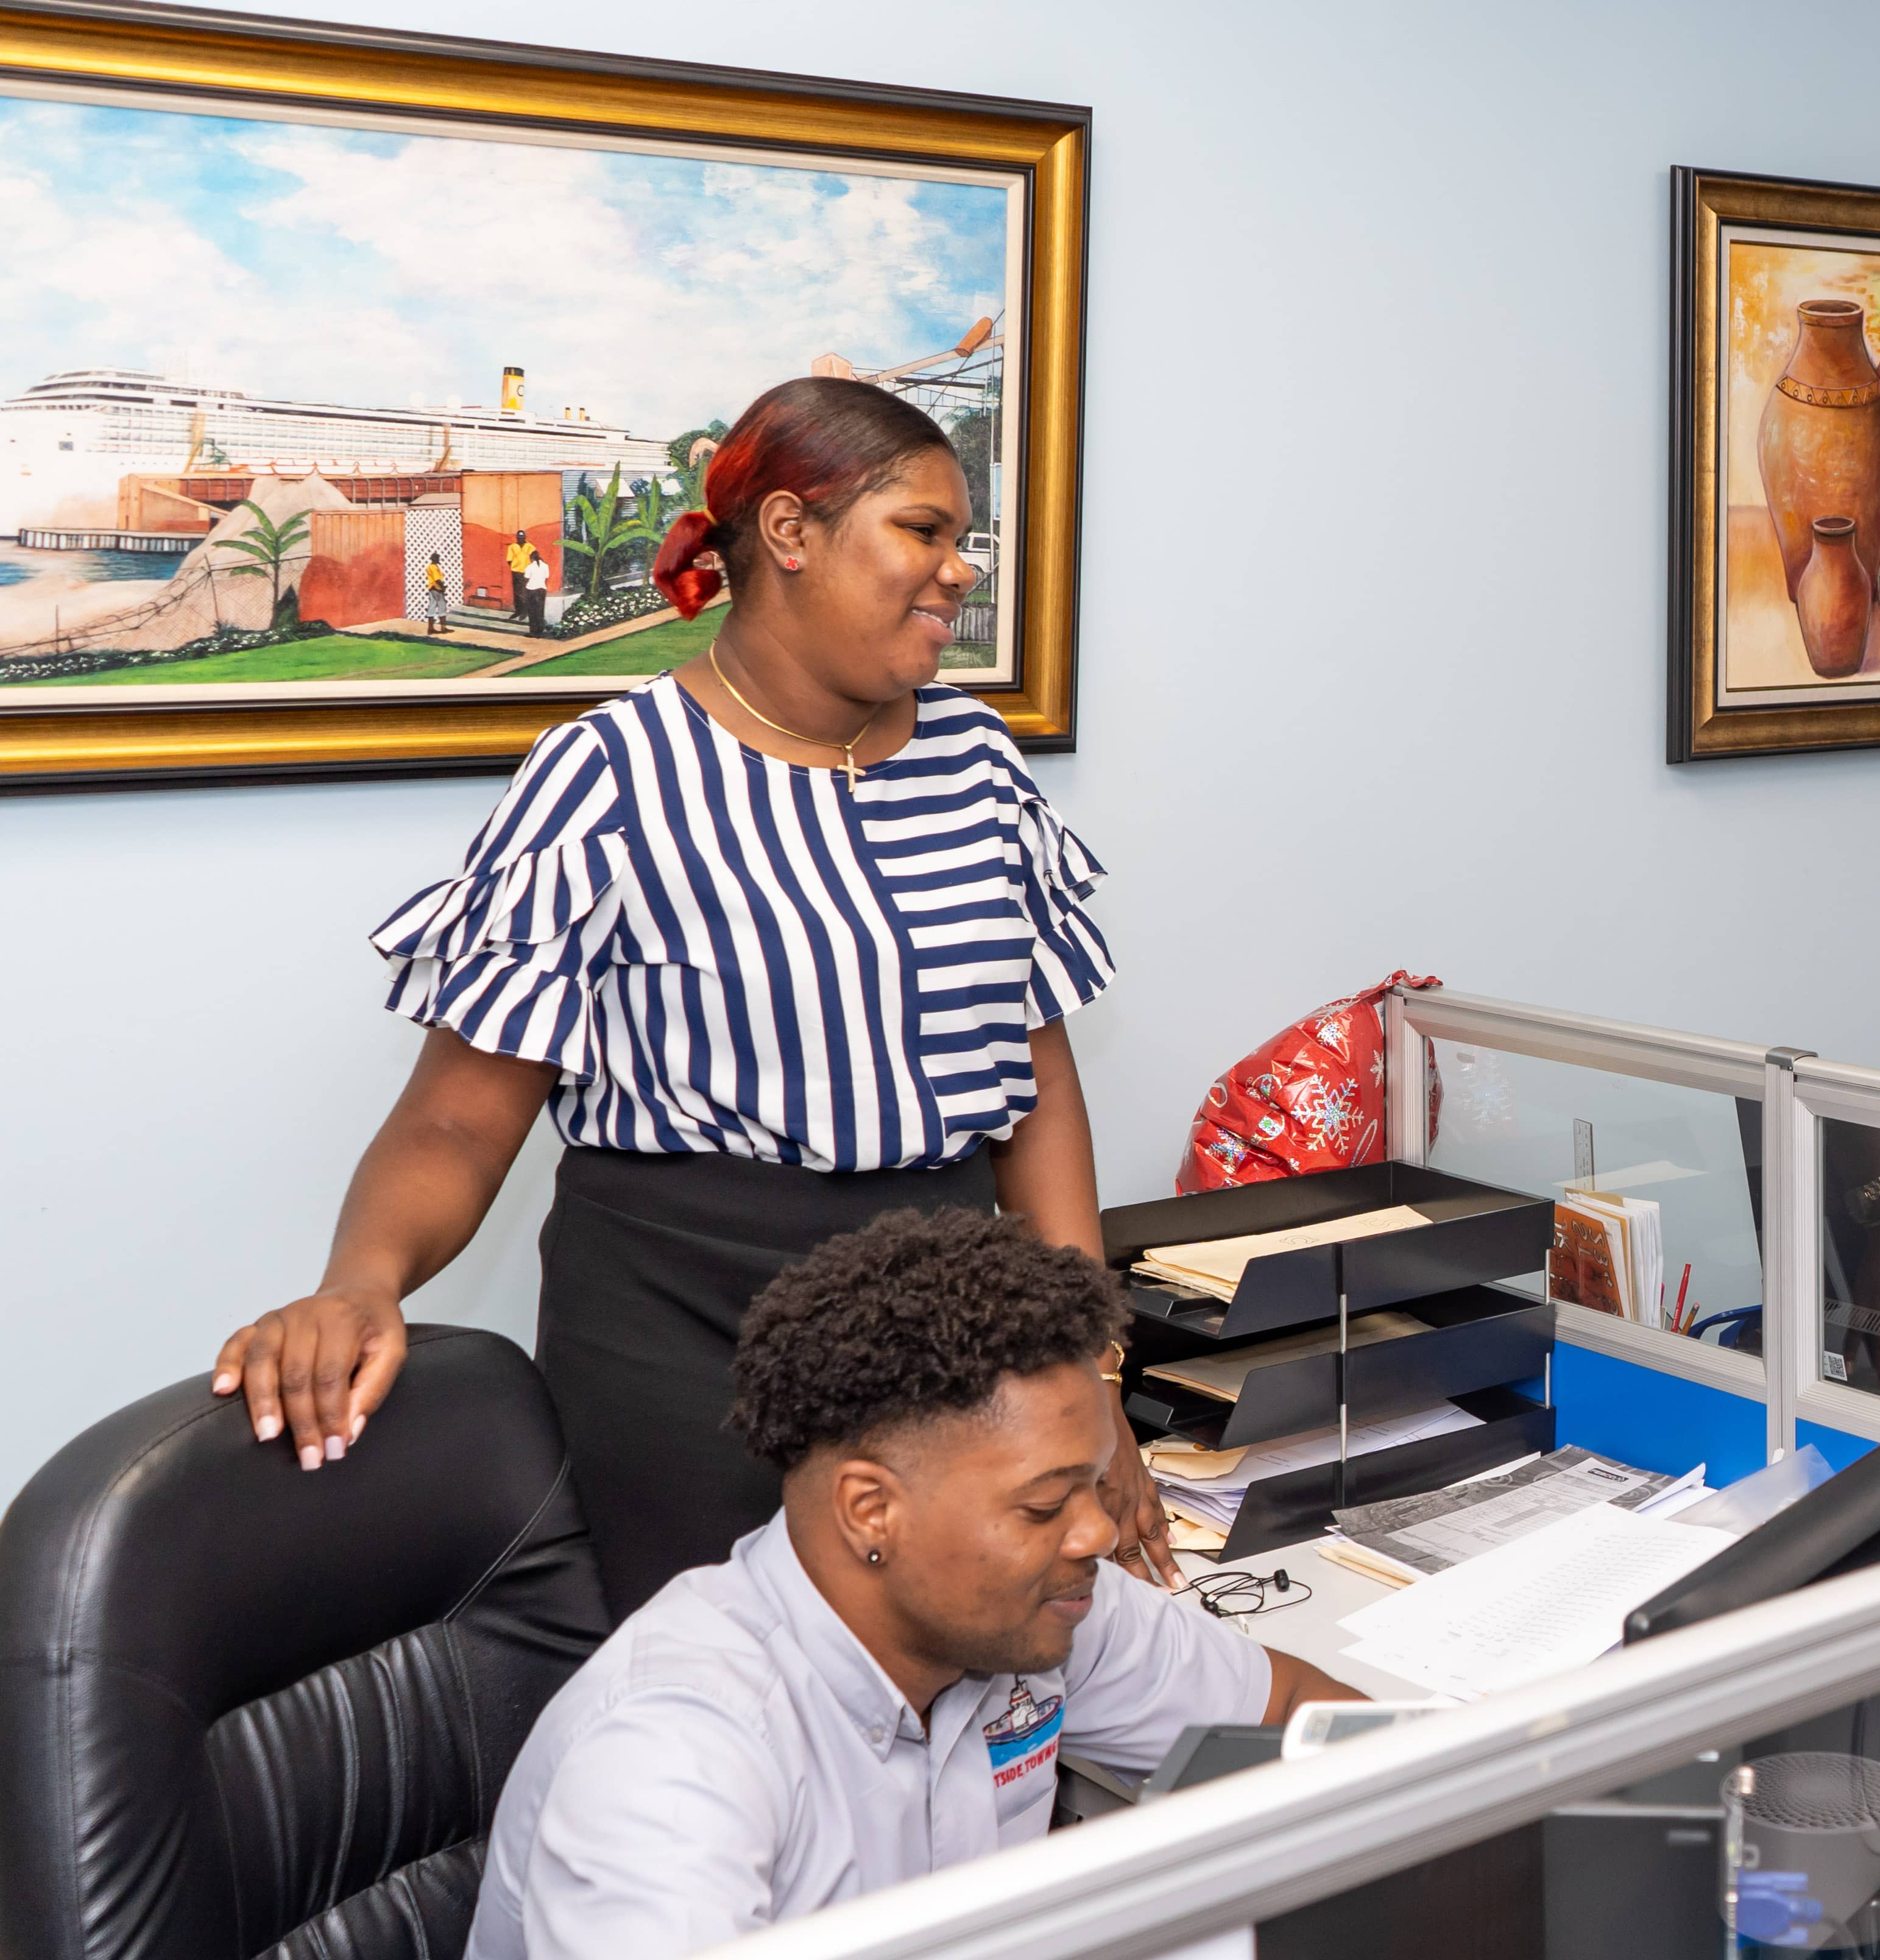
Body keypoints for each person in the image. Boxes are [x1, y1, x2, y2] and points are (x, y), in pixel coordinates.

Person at [211, 377, 1171, 1616]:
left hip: (950, 1323)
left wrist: (1084, 1364)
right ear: (789, 533)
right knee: (722, 1715)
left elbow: (1032, 1083)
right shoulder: (608, 774)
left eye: (964, 539)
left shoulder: (977, 762)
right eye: (924, 532)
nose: (959, 571)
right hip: (688, 1337)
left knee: (959, 1682)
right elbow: (458, 1115)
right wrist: (362, 1280)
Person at [456, 1211, 1355, 1960]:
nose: (1094, 1532)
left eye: (1095, 1484)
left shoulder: (1047, 1602)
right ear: (869, 1511)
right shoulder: (672, 1762)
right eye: (1045, 1506)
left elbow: (1290, 1715)